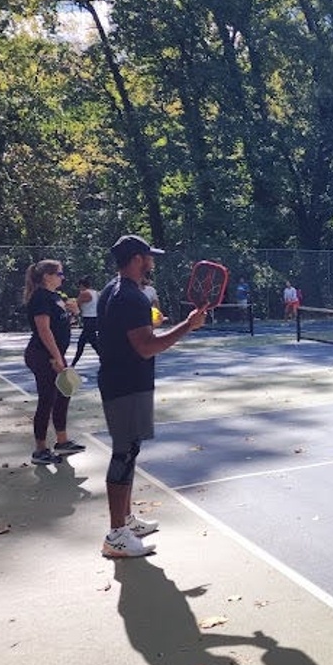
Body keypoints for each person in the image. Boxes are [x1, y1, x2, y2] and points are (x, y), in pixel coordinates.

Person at [98, 234, 207, 558]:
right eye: (149, 257)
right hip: (126, 385)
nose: (152, 262)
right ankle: (116, 534)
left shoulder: (113, 290)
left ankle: (126, 521)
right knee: (124, 452)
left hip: (125, 382)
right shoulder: (132, 298)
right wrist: (188, 326)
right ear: (136, 259)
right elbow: (146, 347)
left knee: (129, 450)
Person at [23, 259, 84, 466]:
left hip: (55, 354)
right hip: (42, 355)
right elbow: (44, 330)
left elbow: (67, 324)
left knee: (64, 394)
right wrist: (56, 358)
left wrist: (75, 312)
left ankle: (62, 441)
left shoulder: (56, 297)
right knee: (47, 399)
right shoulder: (40, 297)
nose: (62, 277)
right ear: (47, 276)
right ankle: (40, 449)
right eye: (59, 274)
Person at [70, 277, 100, 367]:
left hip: (88, 319)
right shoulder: (96, 293)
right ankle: (73, 364)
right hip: (95, 319)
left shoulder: (84, 293)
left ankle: (73, 365)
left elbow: (76, 304)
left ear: (82, 285)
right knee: (90, 342)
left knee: (85, 343)